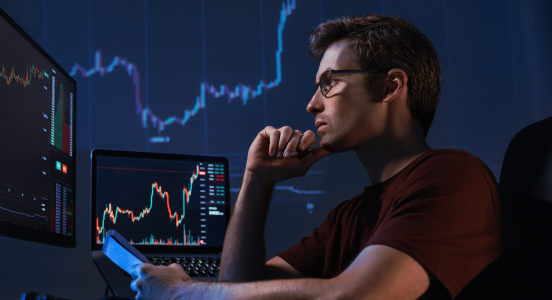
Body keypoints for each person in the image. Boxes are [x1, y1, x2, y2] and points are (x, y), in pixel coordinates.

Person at [129, 14, 502, 299]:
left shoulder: (454, 177)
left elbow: (354, 295)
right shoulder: (348, 217)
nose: (311, 104)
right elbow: (239, 289)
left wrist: (187, 292)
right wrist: (257, 181)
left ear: (390, 87)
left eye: (329, 84)